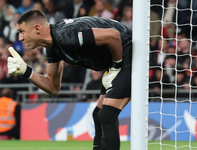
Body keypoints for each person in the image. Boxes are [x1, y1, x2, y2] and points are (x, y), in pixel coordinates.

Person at [7, 9, 132, 150]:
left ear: (37, 28)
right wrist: (26, 71)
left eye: (22, 31)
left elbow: (113, 35)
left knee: (107, 114)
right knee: (99, 115)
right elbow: (53, 87)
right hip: (116, 59)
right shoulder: (53, 46)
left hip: (129, 51)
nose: (20, 38)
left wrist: (117, 65)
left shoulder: (65, 36)